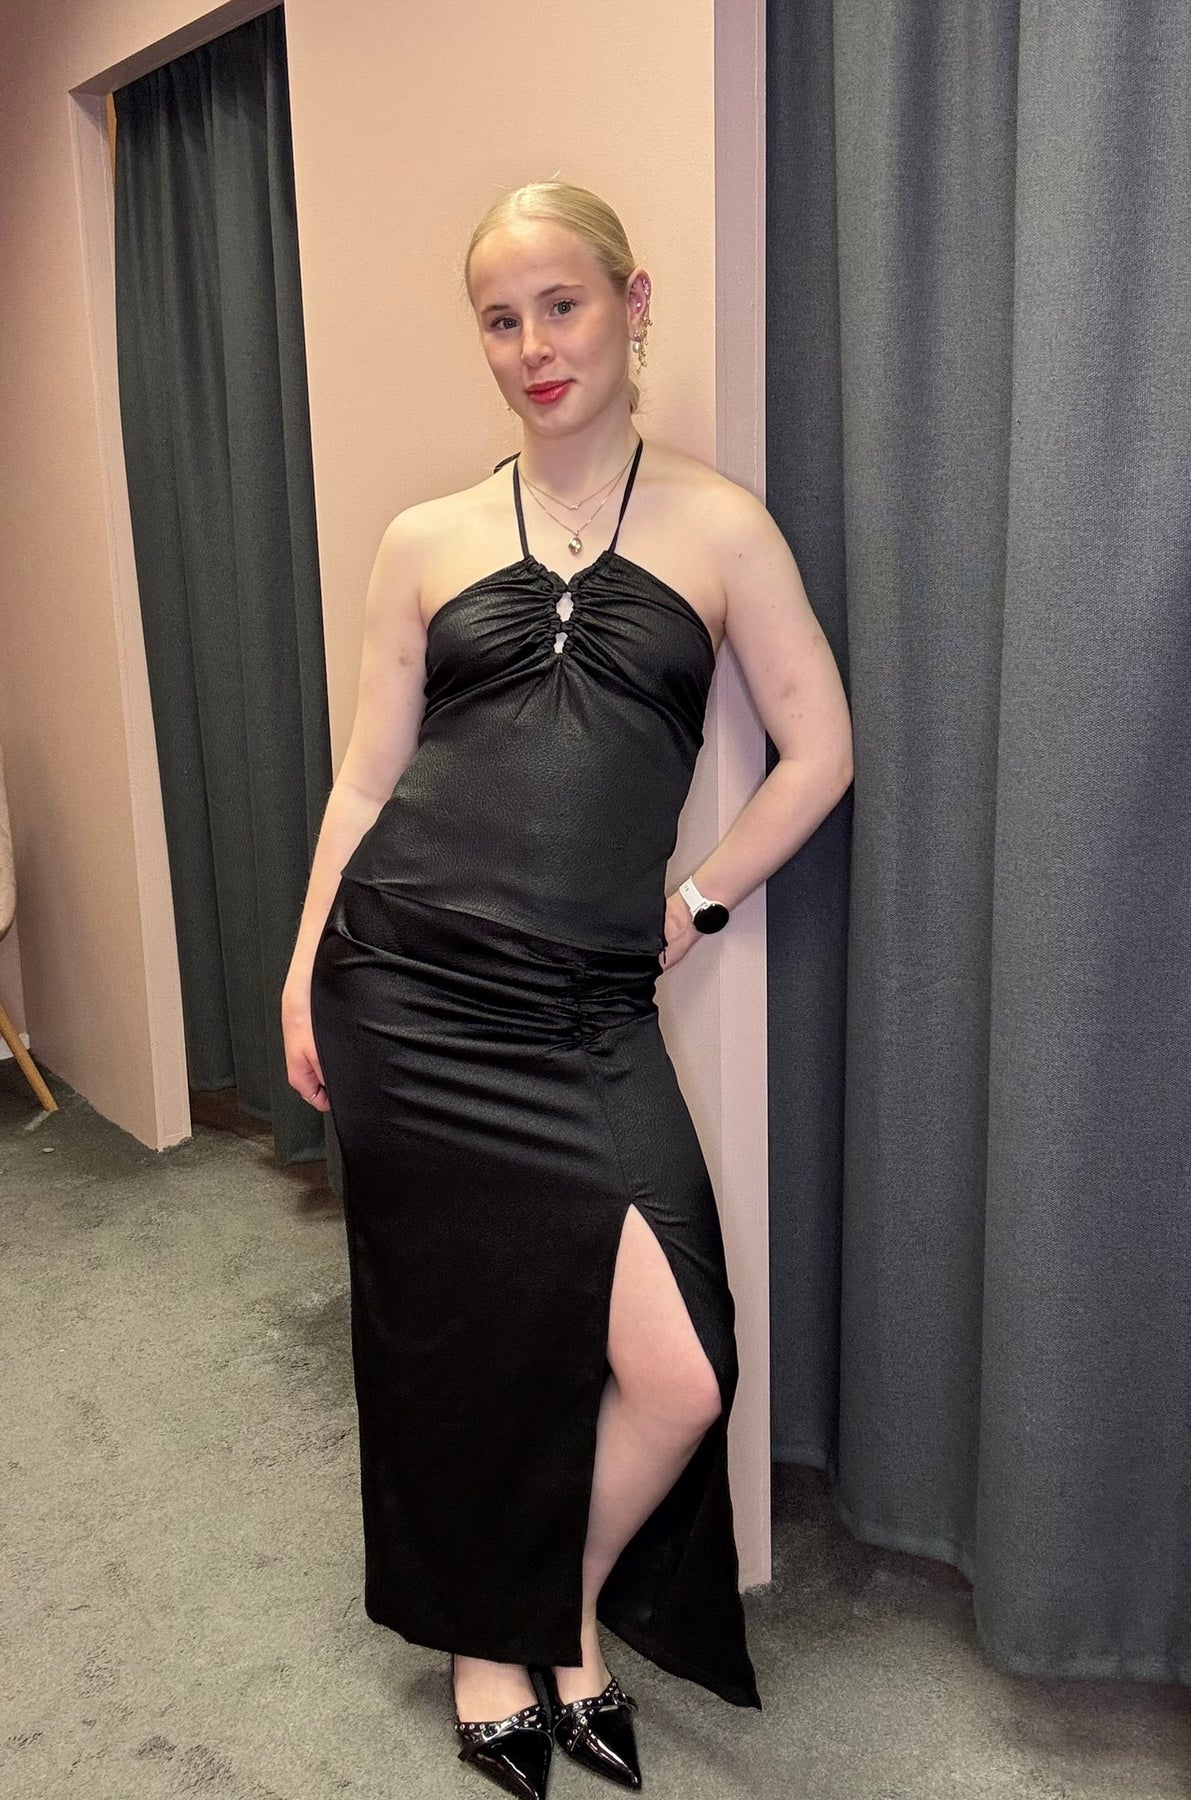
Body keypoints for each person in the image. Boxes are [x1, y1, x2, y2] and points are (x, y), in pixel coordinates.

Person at [282, 180, 853, 1800]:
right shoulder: (425, 540)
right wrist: (303, 972)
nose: (534, 344)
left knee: (681, 1367)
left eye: (562, 304)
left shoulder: (722, 528)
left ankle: (551, 1600)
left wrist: (700, 897)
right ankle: (507, 1643)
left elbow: (820, 751)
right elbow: (365, 779)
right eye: (500, 317)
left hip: (588, 1013)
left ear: (631, 303)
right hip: (403, 989)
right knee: (455, 1340)